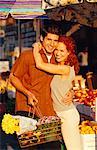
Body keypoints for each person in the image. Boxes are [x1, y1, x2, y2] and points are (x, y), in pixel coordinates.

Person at [33, 35, 82, 150]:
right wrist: (71, 92)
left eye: (62, 51)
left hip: (67, 115)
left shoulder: (65, 68)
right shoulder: (57, 67)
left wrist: (35, 48)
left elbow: (39, 64)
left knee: (73, 148)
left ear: (69, 53)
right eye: (57, 50)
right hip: (59, 114)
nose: (58, 53)